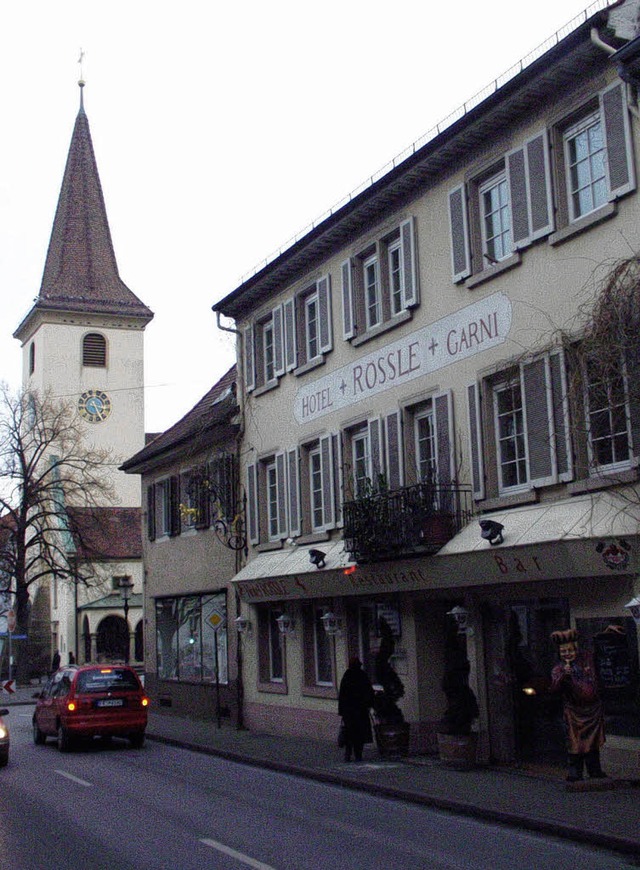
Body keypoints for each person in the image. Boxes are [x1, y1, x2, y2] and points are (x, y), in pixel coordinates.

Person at [549, 628, 606, 782]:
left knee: (592, 743)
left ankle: (595, 770)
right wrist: (563, 676)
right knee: (576, 743)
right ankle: (575, 772)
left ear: (576, 649)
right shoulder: (559, 668)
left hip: (593, 710)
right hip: (574, 712)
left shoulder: (586, 661)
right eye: (563, 651)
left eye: (570, 650)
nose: (567, 654)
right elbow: (554, 688)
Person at [338, 656, 375, 762]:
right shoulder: (362, 675)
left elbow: (342, 695)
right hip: (361, 710)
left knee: (349, 734)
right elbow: (369, 692)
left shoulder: (347, 675)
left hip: (349, 712)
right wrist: (370, 704)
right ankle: (358, 755)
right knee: (360, 734)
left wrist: (342, 712)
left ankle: (348, 754)